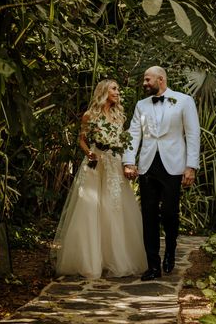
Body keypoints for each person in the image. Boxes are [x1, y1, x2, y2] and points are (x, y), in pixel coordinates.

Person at [52, 79, 147, 279]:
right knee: (91, 209)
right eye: (114, 88)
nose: (117, 92)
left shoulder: (118, 116)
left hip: (114, 163)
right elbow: (82, 140)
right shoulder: (89, 116)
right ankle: (90, 260)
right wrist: (89, 154)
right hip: (96, 164)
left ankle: (115, 258)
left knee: (114, 209)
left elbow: (123, 141)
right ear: (104, 91)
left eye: (118, 89)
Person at [123, 66, 201, 281]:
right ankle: (153, 265)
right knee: (148, 215)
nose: (145, 84)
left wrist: (191, 166)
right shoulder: (141, 105)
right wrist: (129, 161)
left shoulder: (184, 101)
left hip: (174, 165)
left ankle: (170, 250)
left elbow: (193, 134)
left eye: (148, 80)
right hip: (147, 166)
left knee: (169, 212)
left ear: (161, 79)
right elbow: (133, 134)